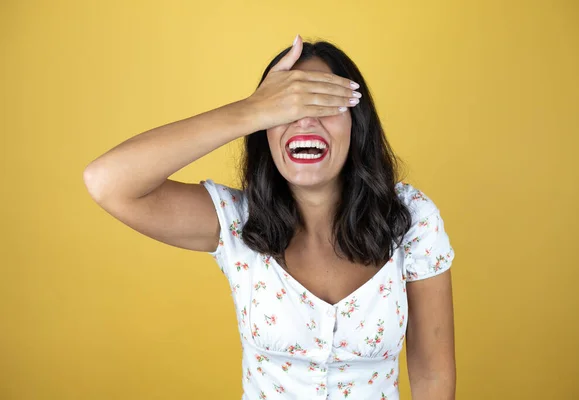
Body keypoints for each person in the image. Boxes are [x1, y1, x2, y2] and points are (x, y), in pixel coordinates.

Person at [84, 34, 456, 400]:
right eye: (287, 108)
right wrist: (251, 110)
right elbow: (107, 182)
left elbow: (433, 374)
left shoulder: (412, 220)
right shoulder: (235, 221)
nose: (304, 122)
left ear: (357, 125)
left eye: (324, 104)